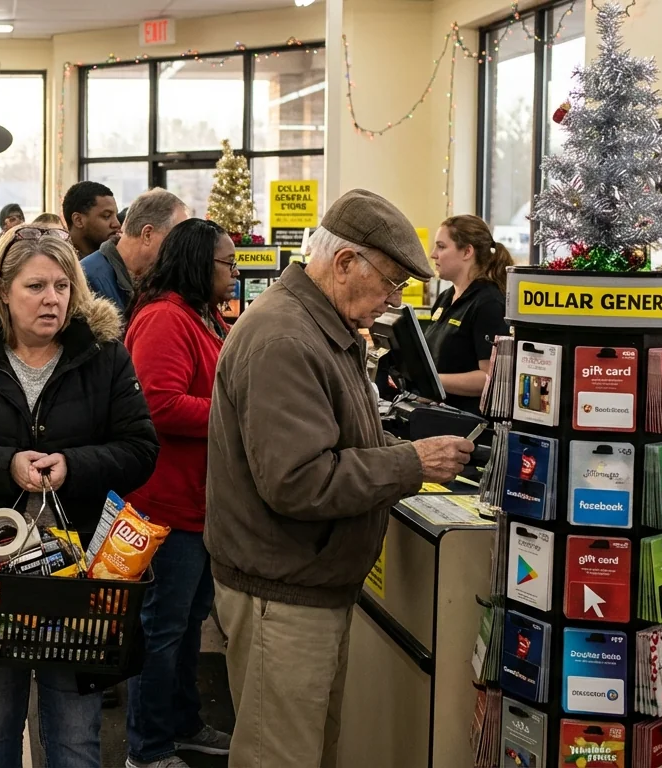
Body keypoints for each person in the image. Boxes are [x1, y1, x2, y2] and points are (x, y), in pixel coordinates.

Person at [207, 189, 474, 768]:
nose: (393, 299)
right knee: (278, 756)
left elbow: (339, 439)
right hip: (282, 593)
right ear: (346, 262)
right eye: (391, 281)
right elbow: (298, 480)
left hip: (305, 584)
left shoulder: (321, 327)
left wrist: (398, 450)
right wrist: (412, 463)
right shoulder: (285, 337)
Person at [0, 225, 159, 768]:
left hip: (80, 583)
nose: (53, 299)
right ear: (2, 291)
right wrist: (5, 466)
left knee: (75, 735)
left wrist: (75, 466)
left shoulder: (104, 357)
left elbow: (140, 449)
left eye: (63, 286)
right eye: (36, 286)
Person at [123, 219, 238, 768]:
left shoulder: (202, 314)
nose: (236, 273)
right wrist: (234, 416)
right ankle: (147, 749)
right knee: (162, 629)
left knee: (188, 622)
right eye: (227, 262)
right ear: (198, 262)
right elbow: (158, 404)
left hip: (197, 501)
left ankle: (185, 724)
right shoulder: (166, 319)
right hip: (164, 503)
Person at [426, 214, 513, 413]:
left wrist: (431, 380)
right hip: (437, 413)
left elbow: (490, 379)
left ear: (467, 252)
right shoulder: (446, 298)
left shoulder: (489, 303)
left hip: (468, 425)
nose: (433, 254)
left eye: (441, 246)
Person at [80, 188, 189, 312]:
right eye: (177, 238)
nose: (180, 248)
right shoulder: (86, 280)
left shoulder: (159, 278)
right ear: (147, 234)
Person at [63, 181, 121, 258]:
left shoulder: (116, 257)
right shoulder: (55, 263)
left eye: (116, 215)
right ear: (78, 220)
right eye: (106, 216)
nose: (117, 224)